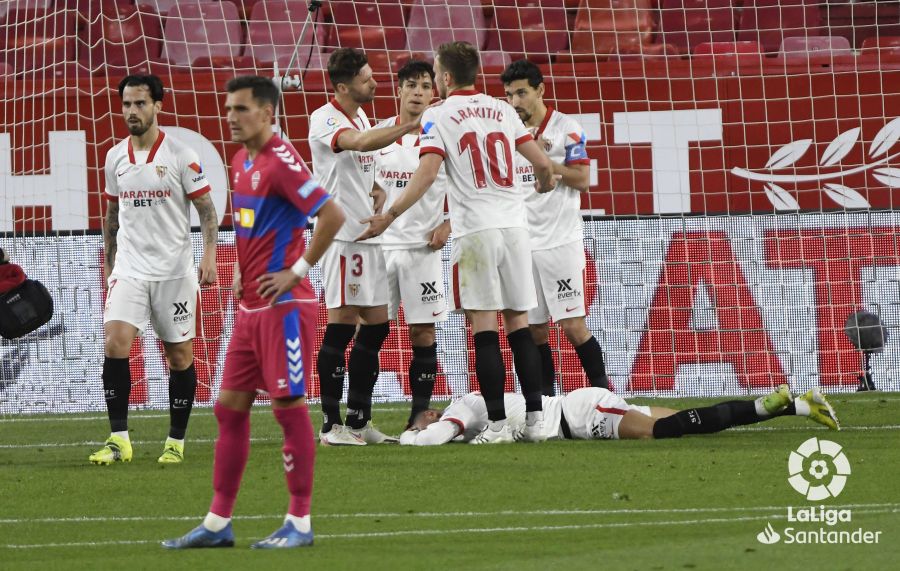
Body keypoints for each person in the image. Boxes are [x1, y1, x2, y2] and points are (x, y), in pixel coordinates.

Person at [163, 76, 345, 549]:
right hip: (250, 307)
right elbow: (255, 226)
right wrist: (244, 271)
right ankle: (219, 522)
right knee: (228, 408)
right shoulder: (242, 161)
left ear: (267, 113)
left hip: (285, 306)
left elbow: (332, 216)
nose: (230, 118)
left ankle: (299, 523)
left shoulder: (282, 161)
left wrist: (297, 269)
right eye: (228, 109)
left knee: (288, 409)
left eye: (240, 109)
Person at [357, 41, 558, 444]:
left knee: (485, 326)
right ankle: (536, 422)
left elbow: (427, 173)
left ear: (446, 78)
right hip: (516, 228)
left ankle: (498, 426)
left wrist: (391, 215)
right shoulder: (502, 109)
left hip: (477, 231)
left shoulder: (439, 115)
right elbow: (540, 163)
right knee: (520, 322)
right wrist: (545, 179)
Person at [91, 74, 218, 465]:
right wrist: (112, 264)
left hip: (174, 271)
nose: (132, 111)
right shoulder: (115, 157)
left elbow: (207, 211)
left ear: (158, 106)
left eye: (140, 103)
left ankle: (175, 442)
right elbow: (112, 215)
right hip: (130, 268)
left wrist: (210, 253)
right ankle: (119, 441)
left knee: (179, 356)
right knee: (115, 344)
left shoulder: (181, 155)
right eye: (127, 104)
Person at [309, 47, 420, 446]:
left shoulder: (359, 112)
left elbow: (359, 160)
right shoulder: (325, 119)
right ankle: (330, 425)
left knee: (377, 326)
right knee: (340, 328)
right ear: (343, 86)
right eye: (366, 78)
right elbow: (357, 143)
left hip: (370, 237)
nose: (375, 82)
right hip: (342, 240)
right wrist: (409, 125)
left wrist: (373, 186)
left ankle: (359, 420)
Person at [501, 59, 608, 395]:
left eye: (521, 93)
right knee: (534, 331)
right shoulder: (506, 133)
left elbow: (583, 180)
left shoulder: (566, 128)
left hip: (560, 242)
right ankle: (546, 403)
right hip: (522, 245)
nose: (515, 102)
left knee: (573, 325)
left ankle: (605, 395)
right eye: (509, 95)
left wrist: (547, 162)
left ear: (540, 90)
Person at [373, 60, 450, 428]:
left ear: (434, 93)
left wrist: (449, 223)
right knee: (370, 331)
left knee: (422, 333)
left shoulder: (443, 137)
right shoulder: (377, 136)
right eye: (412, 85)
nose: (419, 92)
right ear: (398, 90)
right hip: (380, 249)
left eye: (425, 85)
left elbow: (469, 191)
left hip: (423, 250)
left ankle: (419, 416)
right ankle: (360, 416)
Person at [400, 385, 840, 445]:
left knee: (663, 432)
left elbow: (436, 437)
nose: (428, 419)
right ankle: (795, 405)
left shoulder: (464, 404)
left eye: (420, 418)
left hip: (580, 414)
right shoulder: (478, 412)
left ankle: (775, 403)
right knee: (691, 421)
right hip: (580, 406)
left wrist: (403, 439)